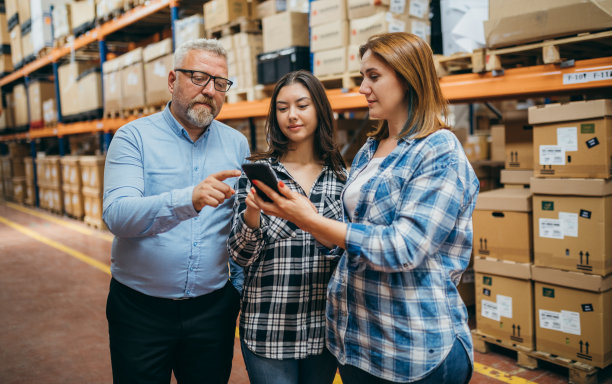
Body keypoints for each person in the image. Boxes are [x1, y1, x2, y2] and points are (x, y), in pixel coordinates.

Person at [249, 32, 479, 384]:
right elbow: (344, 237)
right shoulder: (370, 151)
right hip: (358, 344)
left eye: (373, 76)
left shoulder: (437, 149)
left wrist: (309, 220)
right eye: (362, 77)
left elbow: (403, 248)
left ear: (408, 77)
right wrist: (297, 217)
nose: (362, 87)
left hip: (412, 347)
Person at [102, 38, 250, 384]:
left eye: (220, 83)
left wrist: (236, 291)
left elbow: (240, 223)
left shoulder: (236, 143)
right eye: (198, 77)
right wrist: (189, 200)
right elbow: (118, 216)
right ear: (172, 81)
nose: (210, 90)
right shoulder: (133, 138)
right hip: (141, 311)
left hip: (212, 311)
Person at [227, 70, 347, 384]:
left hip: (324, 329)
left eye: (301, 105)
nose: (291, 115)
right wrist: (252, 215)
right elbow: (239, 256)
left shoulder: (342, 178)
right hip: (270, 326)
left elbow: (349, 251)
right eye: (282, 108)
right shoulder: (259, 173)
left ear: (320, 109)